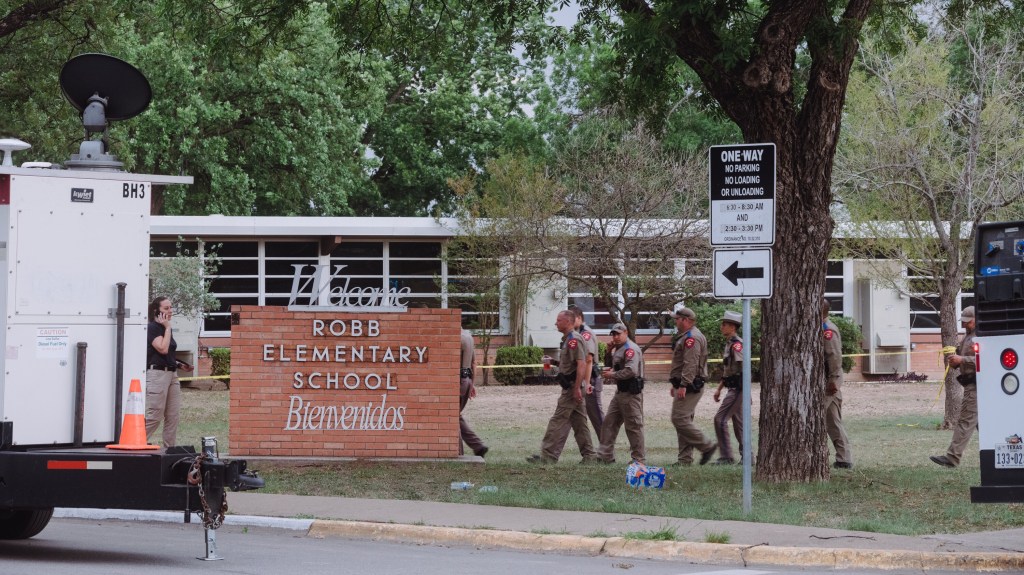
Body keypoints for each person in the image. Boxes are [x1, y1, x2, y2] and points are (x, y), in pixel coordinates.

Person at [527, 310, 598, 463]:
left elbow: (581, 364)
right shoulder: (568, 340)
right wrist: (554, 362)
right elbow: (570, 364)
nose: (555, 323)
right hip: (572, 386)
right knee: (579, 423)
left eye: (559, 320)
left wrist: (577, 388)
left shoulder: (574, 340)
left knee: (557, 420)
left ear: (568, 322)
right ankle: (590, 456)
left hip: (572, 387)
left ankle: (548, 456)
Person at [668, 307, 717, 466]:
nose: (675, 321)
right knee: (684, 420)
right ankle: (684, 459)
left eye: (677, 319)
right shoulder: (688, 336)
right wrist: (675, 383)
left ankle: (707, 446)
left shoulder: (692, 338)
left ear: (686, 320)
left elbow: (690, 364)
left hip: (690, 385)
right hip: (685, 384)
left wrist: (683, 384)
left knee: (679, 419)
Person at [931, 306, 977, 468]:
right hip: (971, 383)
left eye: (968, 322)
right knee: (980, 424)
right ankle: (992, 456)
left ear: (976, 319)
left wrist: (962, 360)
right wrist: (955, 361)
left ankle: (952, 458)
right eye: (963, 322)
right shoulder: (968, 336)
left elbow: (986, 360)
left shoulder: (982, 336)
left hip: (976, 386)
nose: (964, 325)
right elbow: (964, 356)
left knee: (965, 421)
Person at [145, 296, 190, 447]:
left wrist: (178, 364)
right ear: (156, 311)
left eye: (171, 308)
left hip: (172, 374)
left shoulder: (164, 328)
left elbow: (168, 353)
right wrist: (168, 327)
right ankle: (136, 441)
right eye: (166, 308)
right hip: (157, 375)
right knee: (155, 415)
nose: (170, 311)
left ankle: (169, 449)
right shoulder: (152, 328)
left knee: (173, 416)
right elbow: (162, 349)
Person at [597, 323, 646, 464]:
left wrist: (612, 375)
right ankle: (605, 456)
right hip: (620, 393)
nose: (615, 337)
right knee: (609, 423)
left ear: (626, 333)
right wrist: (608, 351)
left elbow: (631, 371)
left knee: (634, 427)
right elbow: (611, 367)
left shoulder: (630, 349)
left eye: (618, 334)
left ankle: (638, 459)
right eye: (613, 334)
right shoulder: (618, 349)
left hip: (631, 394)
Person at [822, 299, 853, 469]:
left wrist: (833, 380)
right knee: (832, 421)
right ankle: (843, 458)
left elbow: (834, 356)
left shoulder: (828, 330)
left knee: (827, 419)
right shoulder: (820, 328)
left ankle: (844, 457)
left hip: (829, 383)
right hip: (825, 381)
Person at [712, 310, 744, 465]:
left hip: (738, 389)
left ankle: (726, 456)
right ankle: (748, 457)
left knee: (720, 419)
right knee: (739, 424)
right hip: (733, 387)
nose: (721, 327)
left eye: (724, 324)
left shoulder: (737, 345)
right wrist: (719, 388)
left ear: (733, 327)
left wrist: (744, 391)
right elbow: (728, 370)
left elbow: (743, 367)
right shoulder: (730, 344)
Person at [570, 306, 604, 437]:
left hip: (590, 380)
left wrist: (587, 382)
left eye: (572, 319)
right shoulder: (576, 332)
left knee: (596, 416)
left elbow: (588, 359)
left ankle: (607, 448)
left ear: (579, 318)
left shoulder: (586, 333)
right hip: (582, 381)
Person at [459, 327, 488, 458]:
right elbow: (474, 363)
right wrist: (472, 384)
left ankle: (460, 450)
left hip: (459, 380)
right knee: (455, 415)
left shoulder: (457, 338)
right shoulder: (468, 336)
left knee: (452, 416)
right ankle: (477, 446)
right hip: (467, 379)